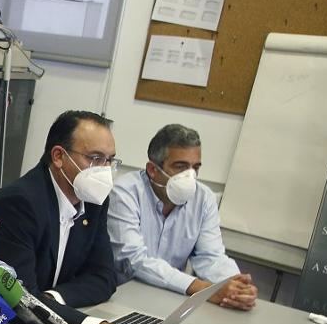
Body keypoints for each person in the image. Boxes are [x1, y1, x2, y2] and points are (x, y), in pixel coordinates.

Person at [0, 110, 159, 324]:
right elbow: (21, 299)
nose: (104, 170)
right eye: (95, 158)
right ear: (59, 156)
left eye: (109, 160)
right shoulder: (20, 203)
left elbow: (104, 278)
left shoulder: (93, 201)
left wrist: (52, 298)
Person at [108, 123, 257, 310]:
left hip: (170, 299)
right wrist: (204, 289)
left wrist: (235, 286)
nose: (190, 176)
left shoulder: (203, 198)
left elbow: (210, 256)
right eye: (181, 167)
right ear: (152, 170)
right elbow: (134, 261)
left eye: (195, 168)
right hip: (121, 297)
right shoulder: (124, 193)